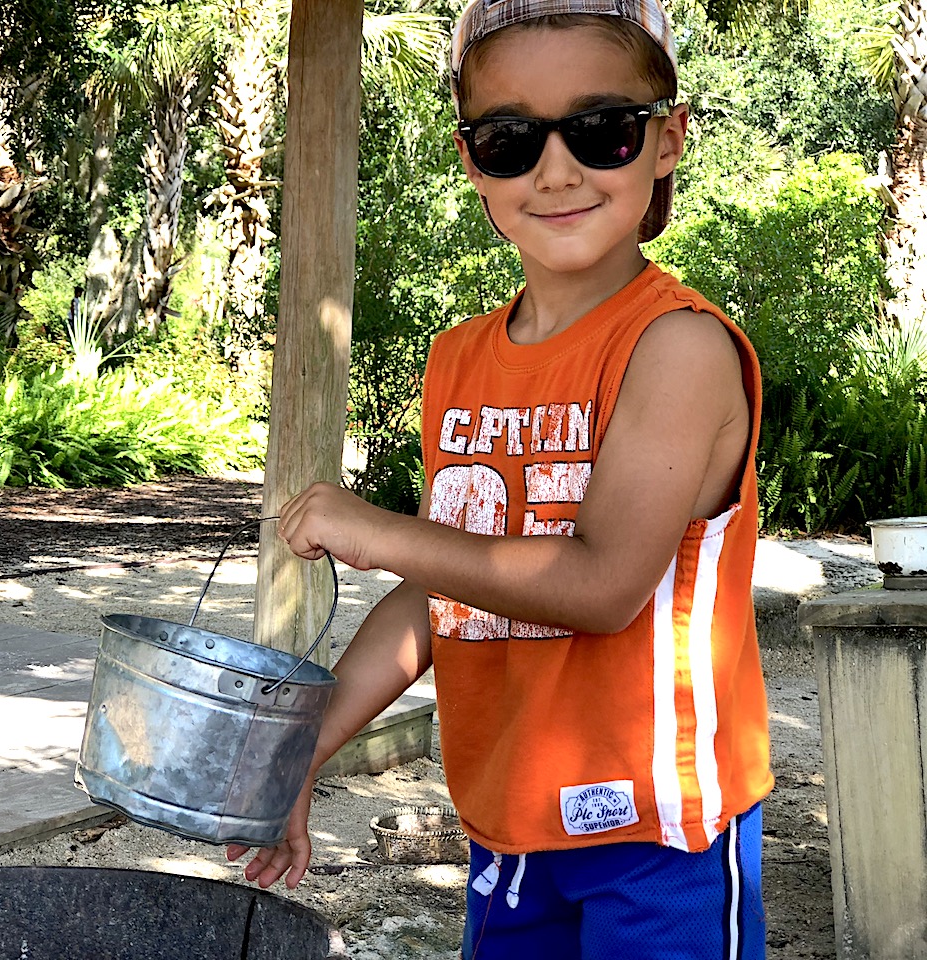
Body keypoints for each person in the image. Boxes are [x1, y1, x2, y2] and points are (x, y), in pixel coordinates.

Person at [226, 1, 774, 957]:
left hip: (660, 834)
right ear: (474, 160)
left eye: (603, 129)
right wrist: (301, 753)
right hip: (508, 828)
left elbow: (602, 586)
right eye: (512, 138)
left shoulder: (678, 348)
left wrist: (381, 528)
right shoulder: (459, 360)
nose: (557, 170)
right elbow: (447, 592)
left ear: (667, 139)